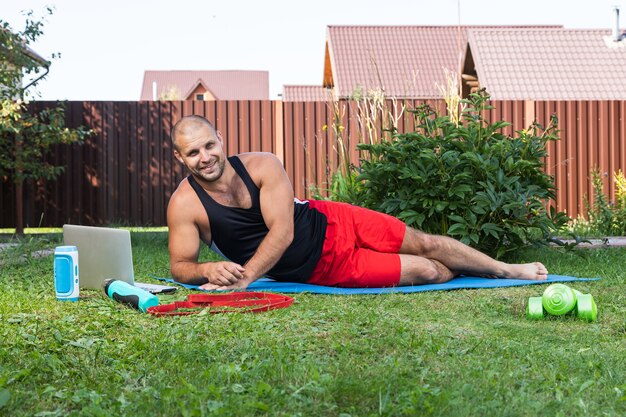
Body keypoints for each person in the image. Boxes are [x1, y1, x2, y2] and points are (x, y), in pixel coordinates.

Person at [167, 115, 548, 290]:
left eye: (209, 145)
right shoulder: (185, 205)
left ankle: (504, 269)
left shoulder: (263, 164)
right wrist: (208, 269)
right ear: (180, 157)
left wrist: (247, 277)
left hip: (333, 219)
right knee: (430, 270)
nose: (205, 157)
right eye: (193, 152)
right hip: (325, 268)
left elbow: (282, 232)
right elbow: (180, 266)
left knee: (426, 241)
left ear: (220, 137)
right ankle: (465, 272)